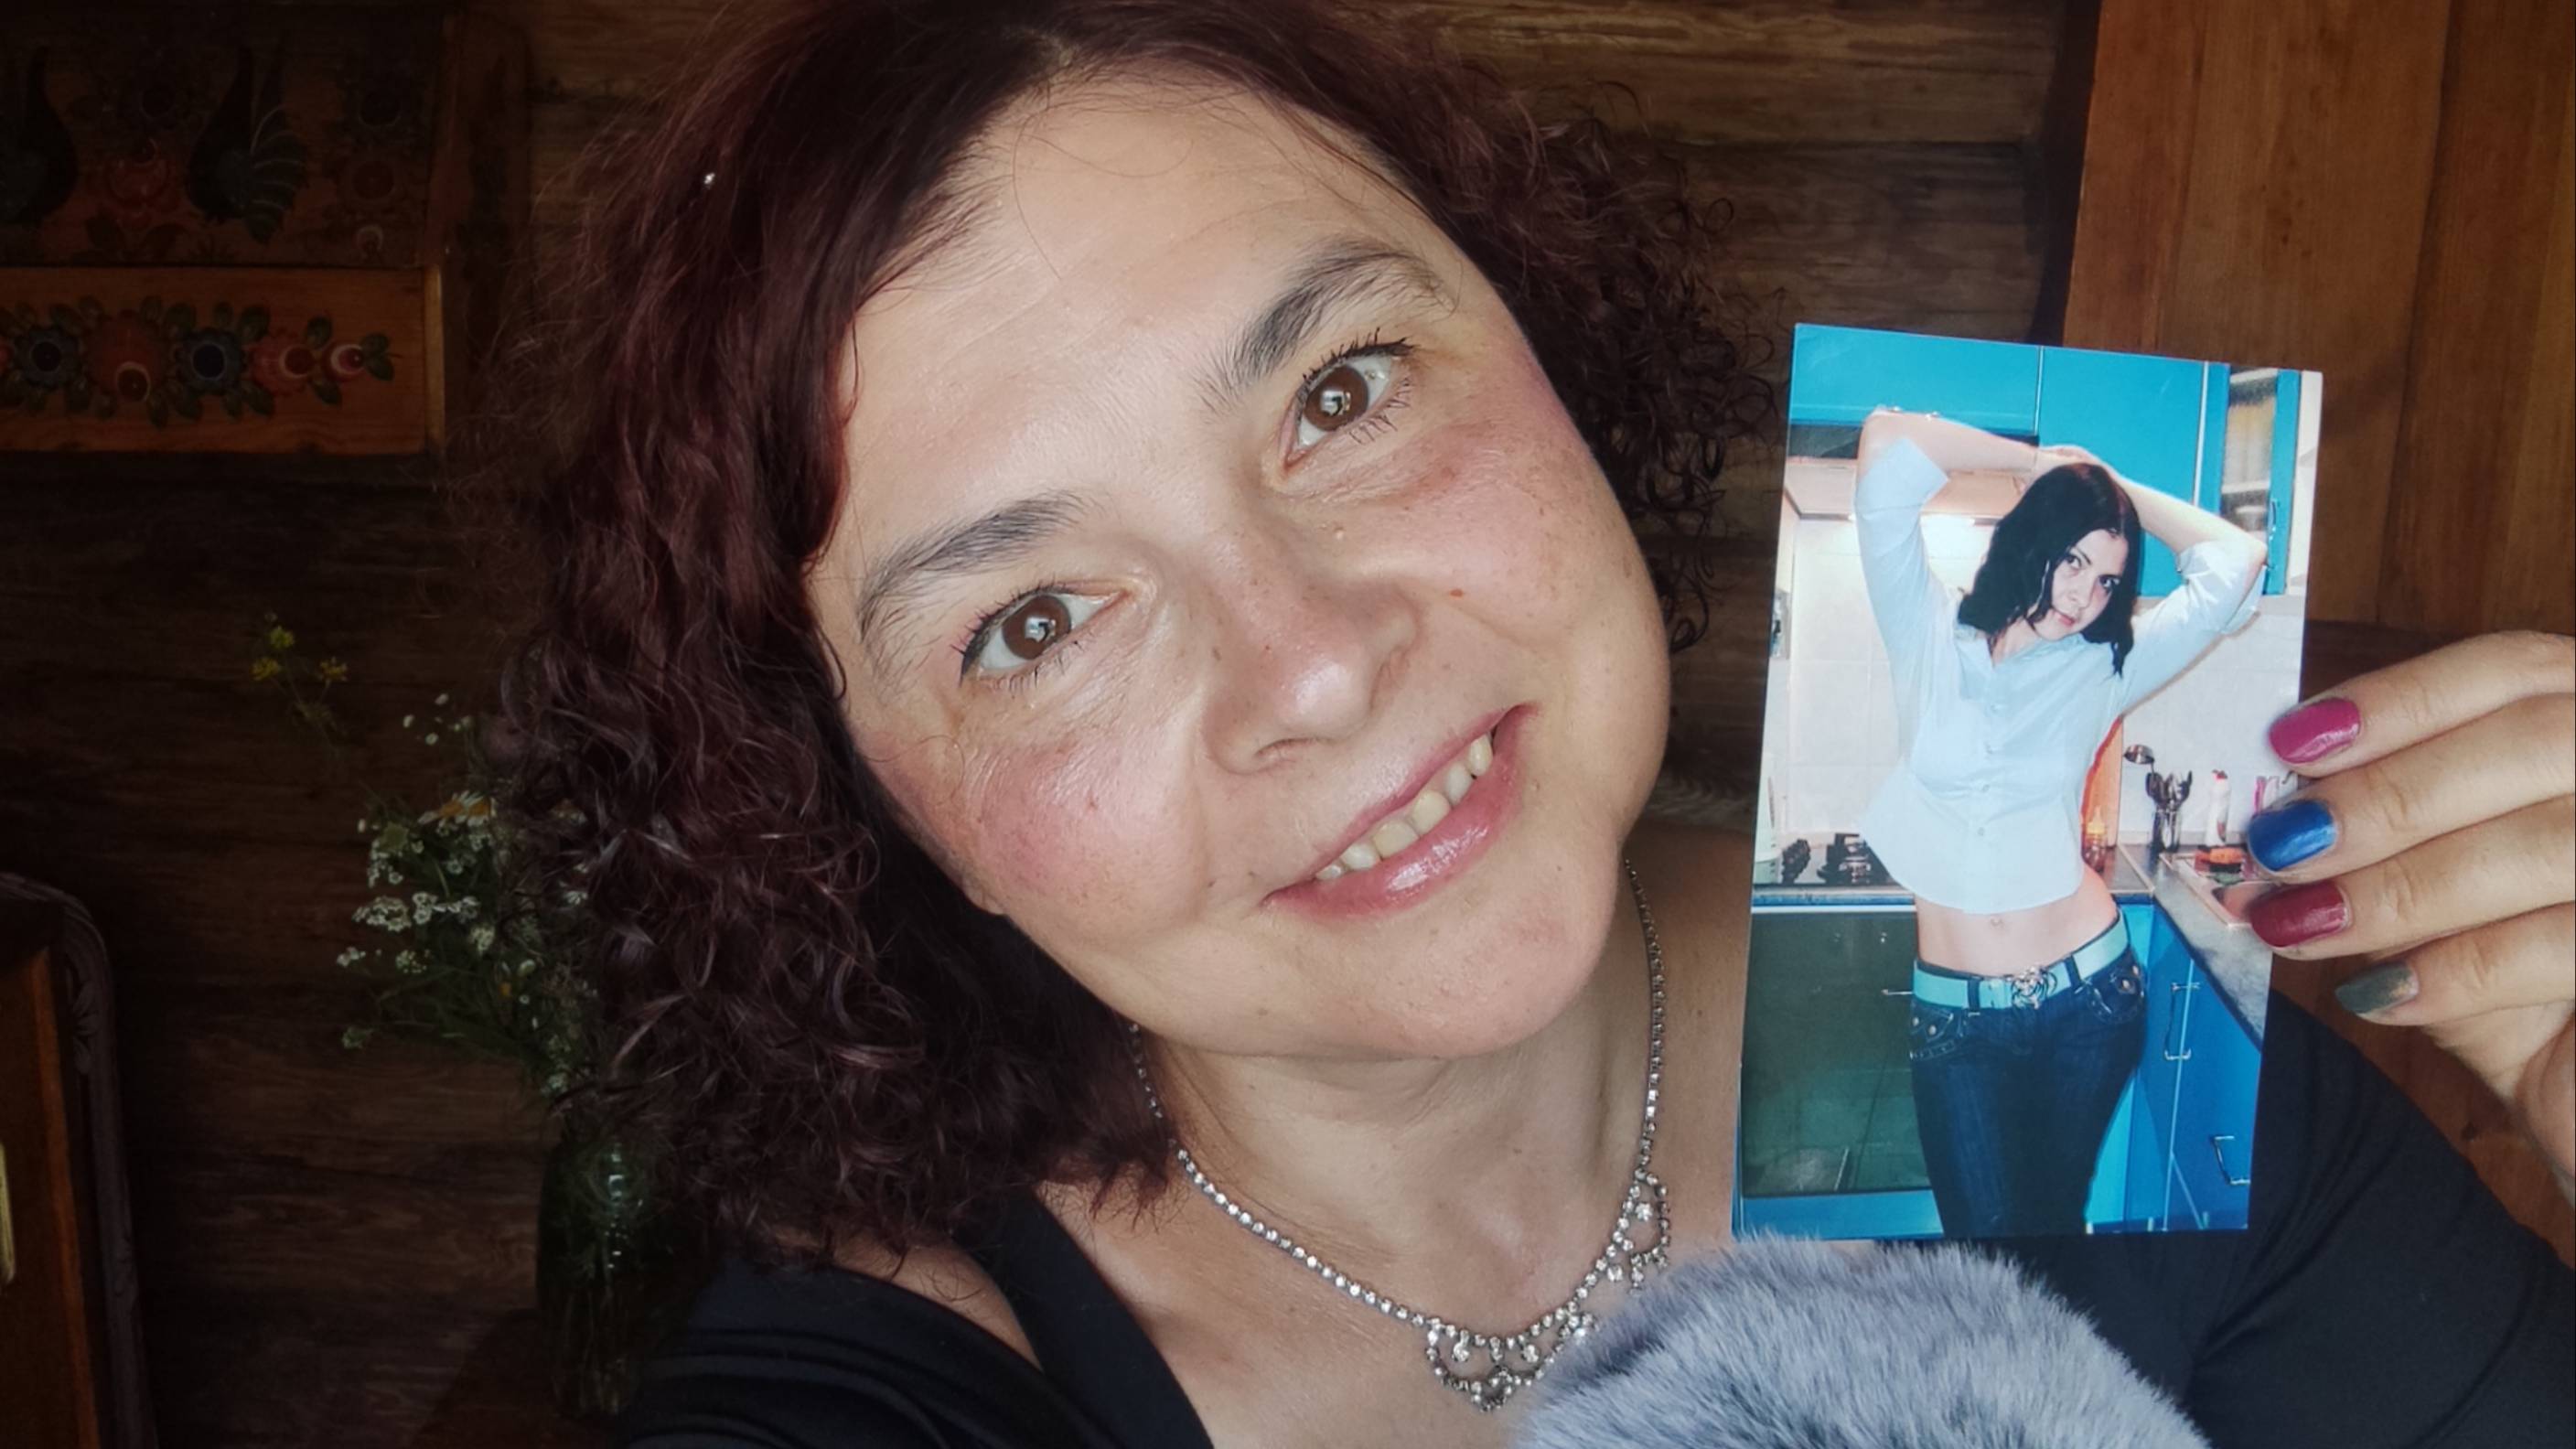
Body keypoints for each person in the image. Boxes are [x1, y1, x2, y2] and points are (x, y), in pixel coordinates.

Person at [487, 1, 2576, 1444]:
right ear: (862, 808)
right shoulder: (907, 1385)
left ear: (1546, 343)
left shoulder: (2153, 1060)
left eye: (1340, 391)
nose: (1314, 662)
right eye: (1031, 622)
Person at [1849, 409, 2266, 1236]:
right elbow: (1885, 444)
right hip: (1957, 1019)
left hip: (2090, 1001)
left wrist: (2112, 485)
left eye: (2107, 579)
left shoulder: (2105, 666)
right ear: (2030, 535)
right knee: (1984, 1248)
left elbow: (2237, 562)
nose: (2083, 595)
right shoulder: (1926, 629)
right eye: (2073, 559)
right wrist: (2044, 464)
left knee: (2052, 1234)